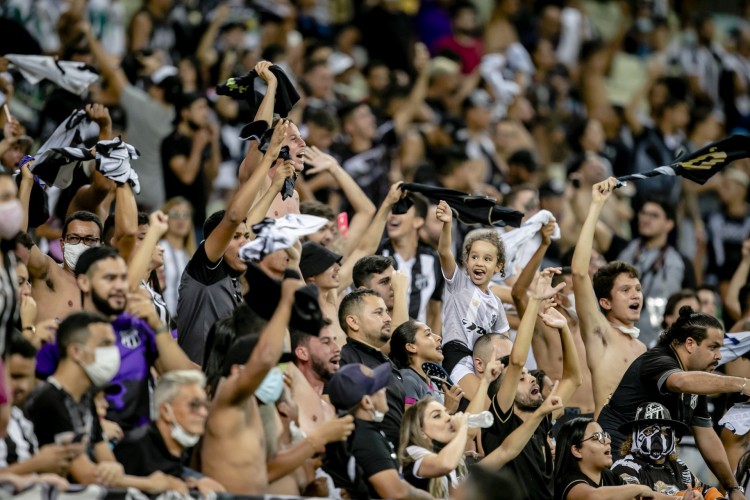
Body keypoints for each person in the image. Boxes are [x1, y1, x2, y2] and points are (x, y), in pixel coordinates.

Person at [25, 312, 184, 494]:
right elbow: (85, 476)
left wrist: (114, 470)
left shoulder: (85, 399)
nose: (114, 353)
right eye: (105, 345)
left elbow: (108, 462)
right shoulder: (50, 400)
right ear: (76, 351)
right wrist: (150, 484)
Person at [598, 307, 747, 498]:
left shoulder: (697, 379)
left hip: (653, 464)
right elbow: (679, 381)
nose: (719, 356)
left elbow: (707, 437)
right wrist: (742, 384)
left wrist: (733, 488)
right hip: (618, 459)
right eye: (713, 347)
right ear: (690, 344)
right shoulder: (658, 359)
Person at [177, 120, 294, 364]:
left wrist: (274, 188)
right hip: (197, 388)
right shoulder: (205, 269)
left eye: (247, 238)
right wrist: (267, 157)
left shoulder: (234, 274)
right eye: (236, 238)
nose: (245, 244)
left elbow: (246, 223)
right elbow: (233, 218)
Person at [482, 268, 581, 500]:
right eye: (521, 378)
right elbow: (516, 361)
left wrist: (563, 328)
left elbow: (573, 379)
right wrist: (535, 300)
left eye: (529, 375)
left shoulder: (541, 420)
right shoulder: (501, 422)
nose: (531, 378)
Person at [398, 384, 563, 498]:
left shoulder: (457, 467)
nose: (448, 418)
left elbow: (506, 451)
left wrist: (540, 413)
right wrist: (462, 427)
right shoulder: (413, 454)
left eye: (446, 413)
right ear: (420, 431)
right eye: (437, 416)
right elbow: (444, 463)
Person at [572, 177, 646, 416]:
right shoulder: (600, 333)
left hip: (639, 442)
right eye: (625, 290)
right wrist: (596, 205)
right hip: (608, 441)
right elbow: (579, 272)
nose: (636, 295)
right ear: (605, 302)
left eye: (637, 288)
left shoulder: (641, 347)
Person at [435, 199, 510, 398]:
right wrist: (447, 224)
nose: (479, 263)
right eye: (474, 257)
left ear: (498, 266)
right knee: (485, 407)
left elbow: (504, 340)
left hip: (481, 363)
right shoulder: (458, 282)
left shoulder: (496, 303)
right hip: (456, 354)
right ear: (466, 261)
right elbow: (443, 251)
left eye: (487, 259)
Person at [325, 363, 432, 499]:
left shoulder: (359, 430)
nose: (385, 391)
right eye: (379, 388)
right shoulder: (364, 437)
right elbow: (396, 492)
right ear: (367, 402)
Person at [114, 370, 225, 497]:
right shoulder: (135, 446)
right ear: (166, 411)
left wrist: (193, 483)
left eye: (205, 405)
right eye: (194, 405)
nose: (204, 413)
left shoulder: (177, 447)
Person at [1, 334, 82, 476]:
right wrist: (36, 464)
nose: (24, 386)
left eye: (29, 377)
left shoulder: (21, 418)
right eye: (15, 376)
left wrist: (60, 461)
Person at [339, 289, 405, 448]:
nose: (388, 318)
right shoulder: (346, 360)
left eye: (387, 312)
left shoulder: (385, 361)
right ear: (353, 322)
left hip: (397, 455)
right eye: (378, 313)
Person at [611, 402, 721, 498]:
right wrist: (680, 498)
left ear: (673, 437)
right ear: (634, 437)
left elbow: (705, 490)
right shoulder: (625, 467)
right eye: (649, 431)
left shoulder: (679, 466)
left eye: (663, 431)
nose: (657, 437)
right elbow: (637, 497)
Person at [554, 418, 674, 500]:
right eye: (597, 437)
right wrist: (638, 488)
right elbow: (594, 497)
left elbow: (649, 496)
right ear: (577, 450)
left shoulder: (609, 477)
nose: (608, 441)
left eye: (605, 435)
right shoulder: (569, 481)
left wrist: (681, 498)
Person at [378, 192, 444, 331]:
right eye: (392, 210)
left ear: (418, 221)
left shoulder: (433, 261)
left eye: (400, 210)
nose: (392, 215)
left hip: (418, 345)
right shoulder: (377, 255)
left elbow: (434, 312)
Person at [161, 92, 220, 232]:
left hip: (199, 217)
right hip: (177, 219)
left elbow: (213, 173)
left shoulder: (200, 139)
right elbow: (187, 176)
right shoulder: (171, 142)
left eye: (206, 108)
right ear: (185, 113)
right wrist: (198, 146)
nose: (206, 113)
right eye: (200, 108)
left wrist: (214, 141)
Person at [388, 319, 463, 412]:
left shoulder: (434, 385)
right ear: (411, 347)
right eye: (428, 334)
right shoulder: (408, 379)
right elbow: (409, 424)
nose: (438, 337)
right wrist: (448, 410)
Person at [289, 322, 341, 434]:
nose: (337, 348)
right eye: (326, 342)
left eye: (335, 340)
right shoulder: (288, 408)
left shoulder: (328, 410)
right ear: (302, 353)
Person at [159, 197, 196, 319]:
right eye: (174, 214)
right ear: (165, 218)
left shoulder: (192, 255)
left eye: (185, 215)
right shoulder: (158, 249)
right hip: (164, 319)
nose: (180, 219)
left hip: (187, 322)